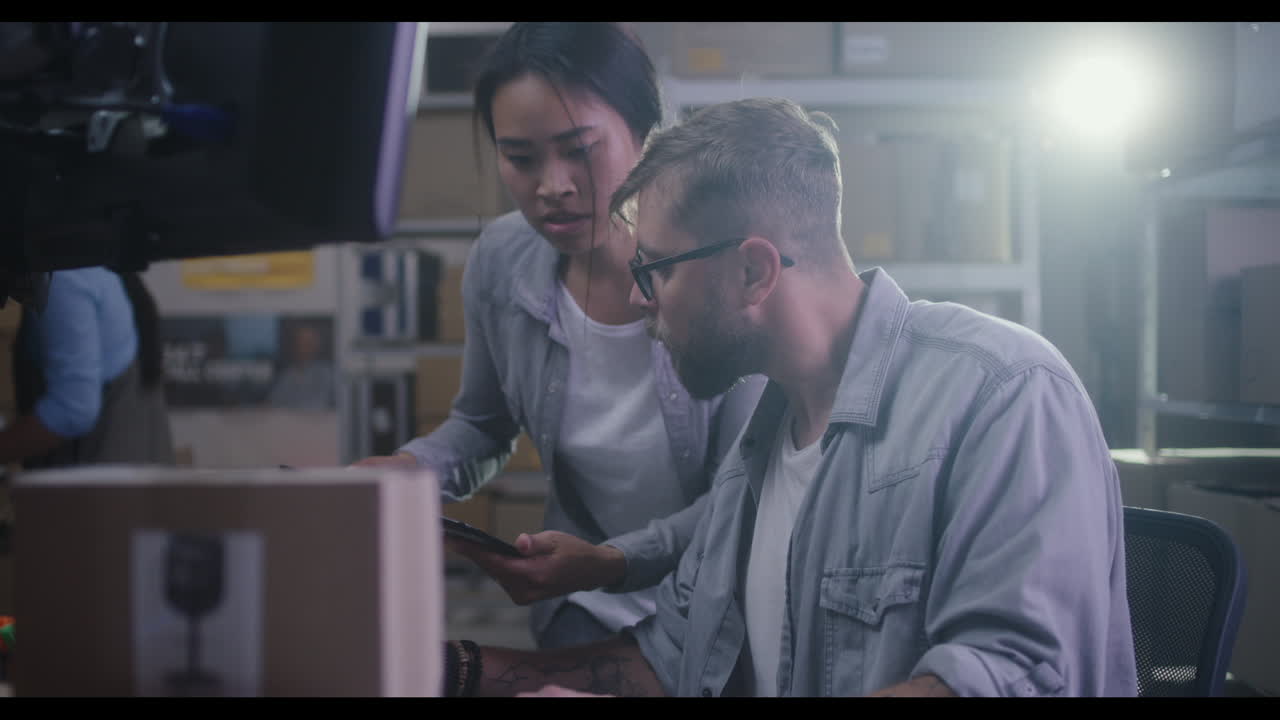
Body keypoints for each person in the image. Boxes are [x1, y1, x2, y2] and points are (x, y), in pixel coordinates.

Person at [438, 97, 1138, 697]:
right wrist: (456, 674)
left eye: (653, 271)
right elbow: (663, 662)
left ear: (752, 271)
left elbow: (1007, 678)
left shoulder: (1002, 395)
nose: (636, 298)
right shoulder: (762, 451)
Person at [352, 23, 764, 650]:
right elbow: (483, 427)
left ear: (646, 132)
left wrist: (614, 561)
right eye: (521, 159)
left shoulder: (720, 266)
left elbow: (746, 494)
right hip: (584, 611)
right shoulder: (501, 262)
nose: (552, 186)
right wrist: (411, 470)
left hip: (721, 612)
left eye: (578, 149)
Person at [0, 266, 174, 467]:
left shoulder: (64, 276)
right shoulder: (93, 266)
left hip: (99, 485)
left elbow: (72, 411)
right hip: (143, 479)